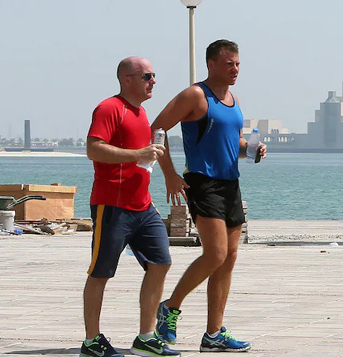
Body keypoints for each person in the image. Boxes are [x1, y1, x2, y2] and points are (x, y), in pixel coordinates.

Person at [151, 39, 265, 352]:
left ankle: (213, 334)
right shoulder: (195, 95)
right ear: (211, 64)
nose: (235, 69)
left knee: (228, 260)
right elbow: (157, 128)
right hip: (202, 182)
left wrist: (251, 150)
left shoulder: (233, 98)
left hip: (231, 183)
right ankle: (169, 308)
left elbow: (234, 141)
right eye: (229, 64)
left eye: (238, 64)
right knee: (214, 254)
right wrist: (170, 174)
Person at [82, 57, 179, 357]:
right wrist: (136, 152)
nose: (153, 81)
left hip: (143, 206)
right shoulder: (109, 108)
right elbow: (93, 148)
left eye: (154, 75)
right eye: (147, 75)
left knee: (161, 263)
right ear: (127, 79)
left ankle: (146, 337)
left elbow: (148, 155)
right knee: (101, 272)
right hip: (112, 205)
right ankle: (92, 341)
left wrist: (169, 176)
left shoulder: (142, 113)